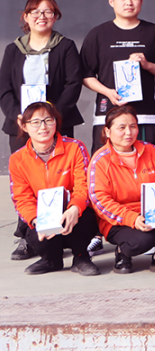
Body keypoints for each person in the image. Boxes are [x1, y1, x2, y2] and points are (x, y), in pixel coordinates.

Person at [1, 0, 85, 262]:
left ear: (55, 17)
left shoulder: (66, 46)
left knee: (63, 179)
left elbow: (73, 83)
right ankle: (28, 236)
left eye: (48, 12)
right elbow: (4, 89)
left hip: (57, 121)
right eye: (35, 12)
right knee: (27, 182)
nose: (42, 16)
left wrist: (53, 116)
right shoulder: (13, 49)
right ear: (25, 17)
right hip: (22, 126)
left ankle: (66, 231)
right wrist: (18, 117)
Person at [88, 105, 155, 275]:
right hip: (120, 220)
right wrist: (132, 219)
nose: (128, 132)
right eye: (121, 128)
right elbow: (100, 200)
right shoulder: (100, 161)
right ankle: (122, 253)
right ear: (107, 131)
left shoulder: (151, 151)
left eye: (133, 126)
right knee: (144, 241)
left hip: (151, 212)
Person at [79, 0, 155, 154]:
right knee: (106, 164)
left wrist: (147, 65)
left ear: (141, 1)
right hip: (108, 114)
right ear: (111, 1)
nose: (129, 2)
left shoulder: (154, 32)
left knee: (146, 161)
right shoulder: (98, 34)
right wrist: (107, 92)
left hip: (144, 115)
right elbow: (85, 74)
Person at [8, 102, 98, 275]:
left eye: (48, 120)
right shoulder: (17, 159)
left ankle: (81, 257)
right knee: (35, 234)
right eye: (35, 122)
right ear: (24, 126)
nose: (43, 127)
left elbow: (83, 185)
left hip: (71, 212)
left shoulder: (75, 147)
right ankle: (51, 260)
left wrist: (75, 208)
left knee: (87, 217)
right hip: (43, 215)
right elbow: (22, 198)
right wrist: (37, 220)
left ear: (56, 122)